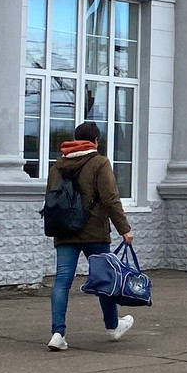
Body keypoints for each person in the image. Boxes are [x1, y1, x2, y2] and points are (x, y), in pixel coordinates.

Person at [46, 121, 135, 351]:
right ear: (95, 141)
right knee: (105, 279)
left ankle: (57, 333)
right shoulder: (99, 162)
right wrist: (124, 228)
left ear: (76, 139)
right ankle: (113, 327)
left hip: (65, 231)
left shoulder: (58, 165)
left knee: (62, 281)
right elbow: (110, 199)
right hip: (94, 231)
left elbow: (50, 198)